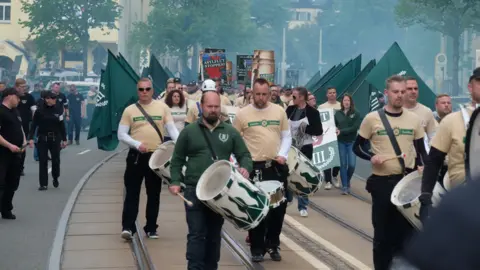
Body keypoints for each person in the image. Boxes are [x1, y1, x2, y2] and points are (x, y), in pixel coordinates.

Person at [169, 91, 252, 270]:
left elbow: (244, 155)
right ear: (201, 106)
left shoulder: (230, 132)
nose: (213, 110)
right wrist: (175, 181)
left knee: (214, 235)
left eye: (216, 107)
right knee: (196, 234)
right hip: (193, 191)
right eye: (209, 106)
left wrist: (246, 167)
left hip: (219, 193)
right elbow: (177, 159)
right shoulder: (189, 132)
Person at [352, 75, 428, 270]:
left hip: (407, 184)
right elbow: (357, 147)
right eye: (395, 92)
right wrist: (372, 157)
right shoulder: (372, 119)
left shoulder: (414, 120)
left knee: (407, 234)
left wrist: (423, 166)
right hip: (382, 183)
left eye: (403, 92)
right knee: (383, 236)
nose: (400, 96)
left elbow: (421, 152)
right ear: (386, 93)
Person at [233, 77, 292, 262]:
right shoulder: (242, 114)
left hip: (274, 166)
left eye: (264, 94)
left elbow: (287, 136)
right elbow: (235, 141)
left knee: (277, 209)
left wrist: (282, 155)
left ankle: (273, 244)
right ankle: (257, 248)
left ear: (269, 93)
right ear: (252, 92)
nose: (261, 98)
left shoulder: (279, 111)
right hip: (253, 167)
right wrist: (240, 164)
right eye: (257, 94)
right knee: (256, 208)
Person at [117, 78, 179, 240]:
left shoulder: (162, 108)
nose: (144, 92)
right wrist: (136, 144)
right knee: (132, 193)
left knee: (154, 194)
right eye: (141, 89)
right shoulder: (129, 110)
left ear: (152, 91)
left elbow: (172, 130)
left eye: (147, 89)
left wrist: (181, 147)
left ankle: (151, 227)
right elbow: (121, 134)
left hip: (156, 158)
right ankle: (128, 227)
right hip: (136, 157)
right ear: (137, 91)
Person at [419, 68, 480, 219]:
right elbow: (434, 161)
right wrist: (426, 197)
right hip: (464, 201)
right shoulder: (452, 121)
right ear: (470, 87)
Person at [286, 87, 323, 217]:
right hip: (290, 147)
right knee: (287, 173)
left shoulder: (313, 112)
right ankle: (288, 198)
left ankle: (303, 205)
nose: (292, 98)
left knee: (303, 176)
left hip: (305, 147)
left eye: (294, 96)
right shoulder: (290, 110)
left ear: (302, 97)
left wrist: (305, 128)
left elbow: (318, 131)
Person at [28, 91, 67, 190]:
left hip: (55, 138)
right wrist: (31, 138)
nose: (55, 100)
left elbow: (62, 125)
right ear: (47, 99)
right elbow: (34, 125)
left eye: (55, 98)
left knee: (56, 160)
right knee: (43, 161)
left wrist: (64, 139)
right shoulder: (39, 111)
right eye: (53, 98)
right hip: (43, 138)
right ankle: (43, 184)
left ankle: (55, 177)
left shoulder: (58, 109)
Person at [0, 88, 25, 219]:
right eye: (17, 97)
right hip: (3, 152)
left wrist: (24, 141)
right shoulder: (1, 111)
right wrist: (9, 145)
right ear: (9, 96)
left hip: (17, 152)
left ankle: (6, 209)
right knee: (1, 182)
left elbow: (20, 128)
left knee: (13, 182)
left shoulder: (15, 112)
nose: (19, 100)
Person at [335, 94, 361, 194]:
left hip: (352, 142)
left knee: (352, 165)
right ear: (342, 102)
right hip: (340, 142)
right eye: (344, 100)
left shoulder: (356, 113)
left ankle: (347, 180)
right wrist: (335, 129)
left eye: (348, 100)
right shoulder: (337, 114)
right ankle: (345, 186)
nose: (346, 102)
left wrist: (341, 131)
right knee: (343, 164)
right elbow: (333, 125)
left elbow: (354, 128)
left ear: (351, 102)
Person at [403, 76, 437, 151]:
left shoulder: (426, 111)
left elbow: (432, 138)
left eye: (416, 88)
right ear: (402, 91)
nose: (413, 91)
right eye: (409, 89)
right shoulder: (395, 111)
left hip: (419, 159)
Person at [318, 87, 341, 189]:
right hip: (327, 134)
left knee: (339, 157)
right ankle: (328, 181)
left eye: (334, 92)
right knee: (328, 157)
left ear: (336, 94)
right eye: (330, 93)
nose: (332, 94)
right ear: (327, 95)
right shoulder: (322, 107)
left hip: (339, 134)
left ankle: (335, 175)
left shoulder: (340, 106)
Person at [15, 78, 36, 176]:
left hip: (25, 125)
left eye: (25, 87)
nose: (24, 89)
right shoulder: (12, 96)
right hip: (13, 126)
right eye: (22, 87)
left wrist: (35, 120)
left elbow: (33, 109)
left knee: (22, 146)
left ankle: (20, 167)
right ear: (17, 87)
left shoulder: (29, 97)